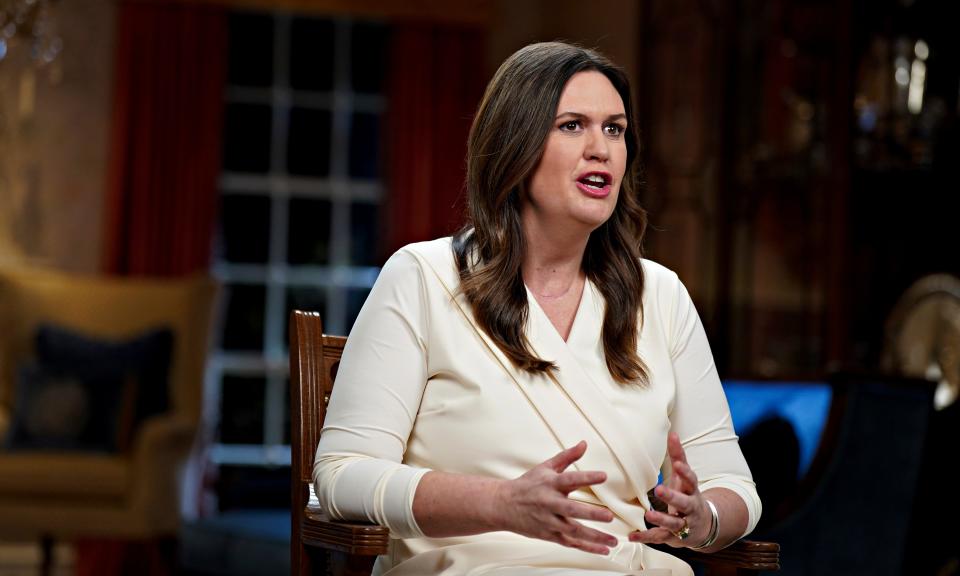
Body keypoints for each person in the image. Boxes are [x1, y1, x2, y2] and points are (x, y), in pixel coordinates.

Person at [314, 41, 761, 575]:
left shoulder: (660, 297)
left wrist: (700, 518)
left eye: (615, 130)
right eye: (573, 125)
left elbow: (733, 487)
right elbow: (342, 475)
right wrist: (497, 503)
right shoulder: (423, 277)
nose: (601, 148)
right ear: (515, 144)